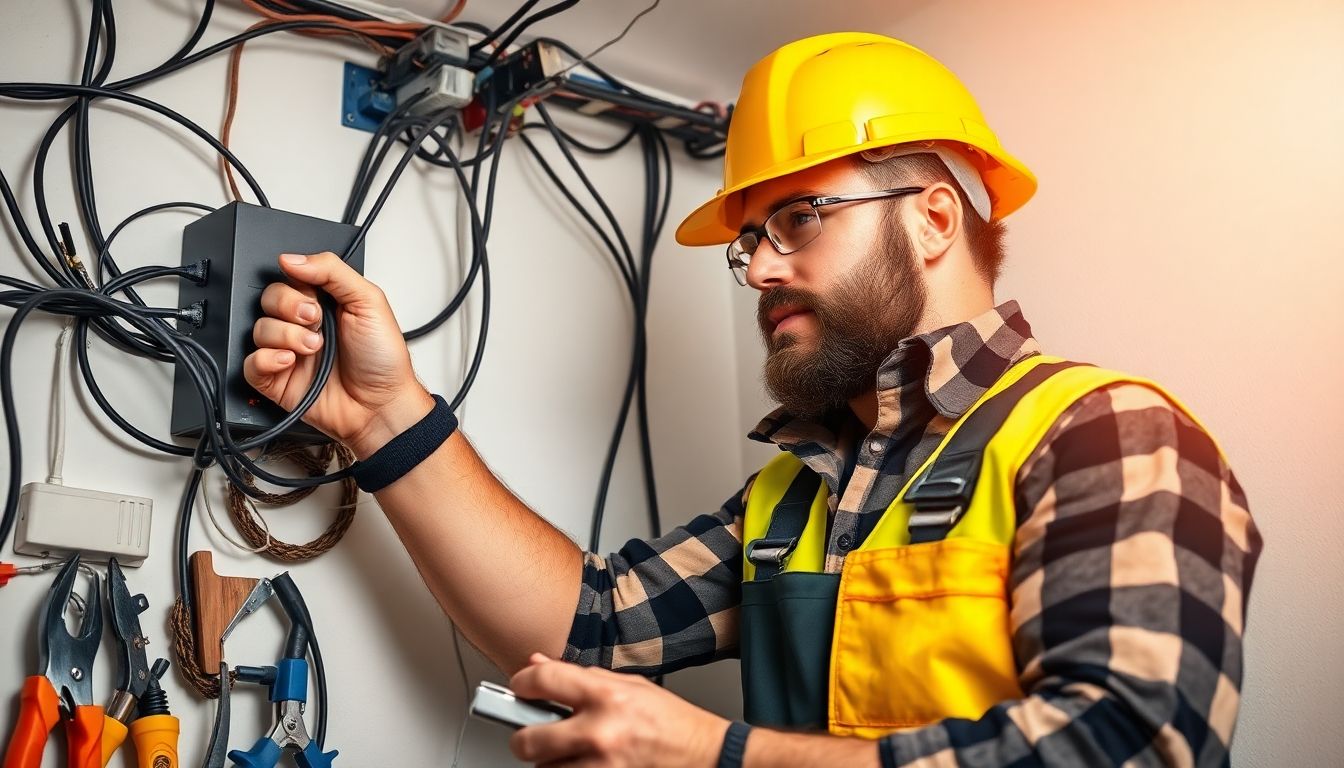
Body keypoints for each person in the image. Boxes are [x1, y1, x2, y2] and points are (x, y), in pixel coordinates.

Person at [244, 33, 1261, 768]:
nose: (762, 269)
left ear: (936, 218)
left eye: (800, 218)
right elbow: (585, 623)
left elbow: (1131, 742)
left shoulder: (1104, 434)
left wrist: (719, 756)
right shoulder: (797, 493)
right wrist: (382, 414)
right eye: (751, 242)